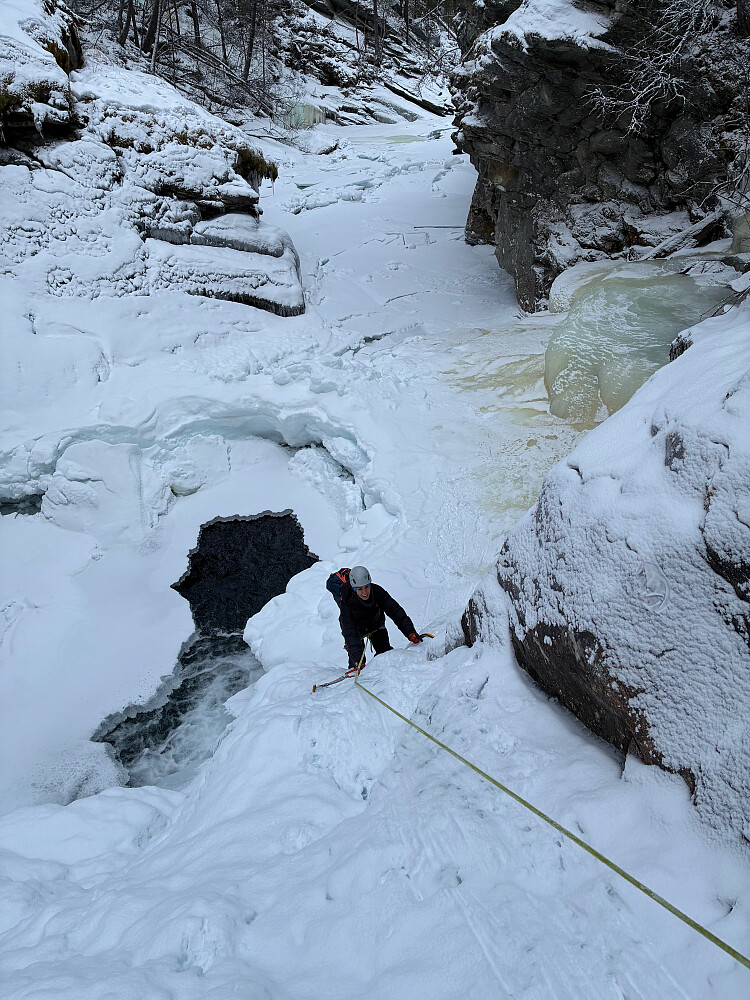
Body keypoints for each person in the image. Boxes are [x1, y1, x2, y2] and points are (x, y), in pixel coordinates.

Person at [338, 565, 421, 671]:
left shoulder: (377, 592)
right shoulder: (347, 601)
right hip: (357, 630)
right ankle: (354, 670)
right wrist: (357, 660)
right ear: (354, 589)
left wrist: (410, 632)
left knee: (385, 652)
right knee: (357, 663)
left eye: (367, 587)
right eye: (360, 589)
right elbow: (350, 632)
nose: (364, 592)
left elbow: (395, 611)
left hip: (376, 625)